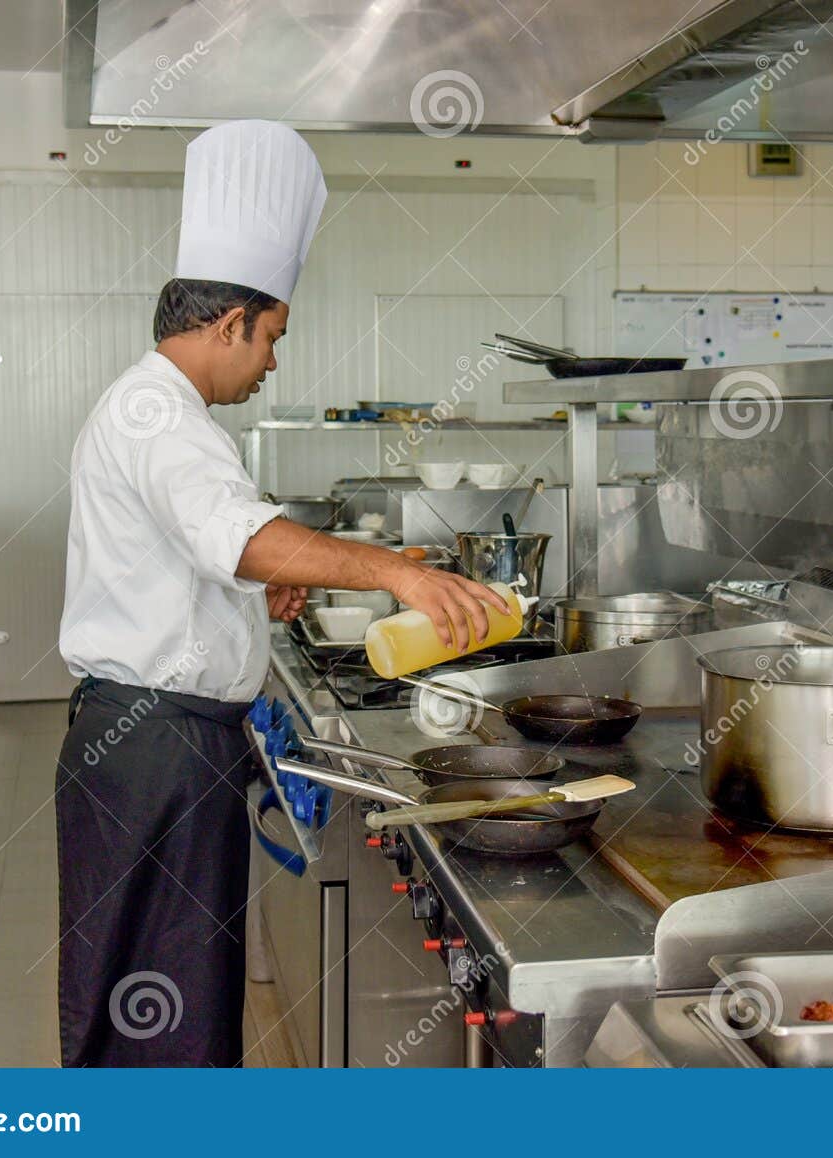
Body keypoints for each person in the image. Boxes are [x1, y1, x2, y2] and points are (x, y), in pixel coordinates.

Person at [54, 120, 505, 1066]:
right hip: (157, 753)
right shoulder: (160, 416)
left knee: (167, 999)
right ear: (230, 324)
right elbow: (244, 536)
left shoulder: (161, 411)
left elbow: (182, 561)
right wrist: (398, 572)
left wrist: (241, 608)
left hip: (159, 742)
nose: (271, 362)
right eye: (271, 339)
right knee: (165, 1016)